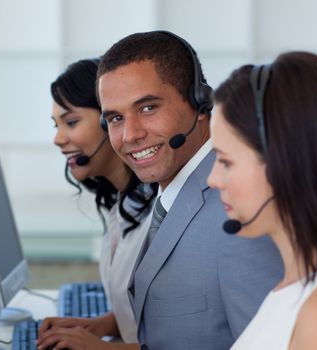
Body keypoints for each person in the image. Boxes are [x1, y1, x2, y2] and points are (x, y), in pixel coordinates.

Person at [94, 31, 282, 350]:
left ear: (200, 102)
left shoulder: (236, 212)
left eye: (148, 108)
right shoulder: (170, 193)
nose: (130, 135)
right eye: (115, 118)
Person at [38, 58, 157, 349]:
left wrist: (100, 348)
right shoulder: (123, 203)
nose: (57, 138)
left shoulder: (160, 210)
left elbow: (184, 338)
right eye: (56, 125)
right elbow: (144, 309)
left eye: (71, 122)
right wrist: (97, 325)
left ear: (110, 120)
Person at [207, 51, 317, 349]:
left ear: (285, 162)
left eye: (225, 161)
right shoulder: (291, 288)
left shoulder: (316, 318)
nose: (213, 179)